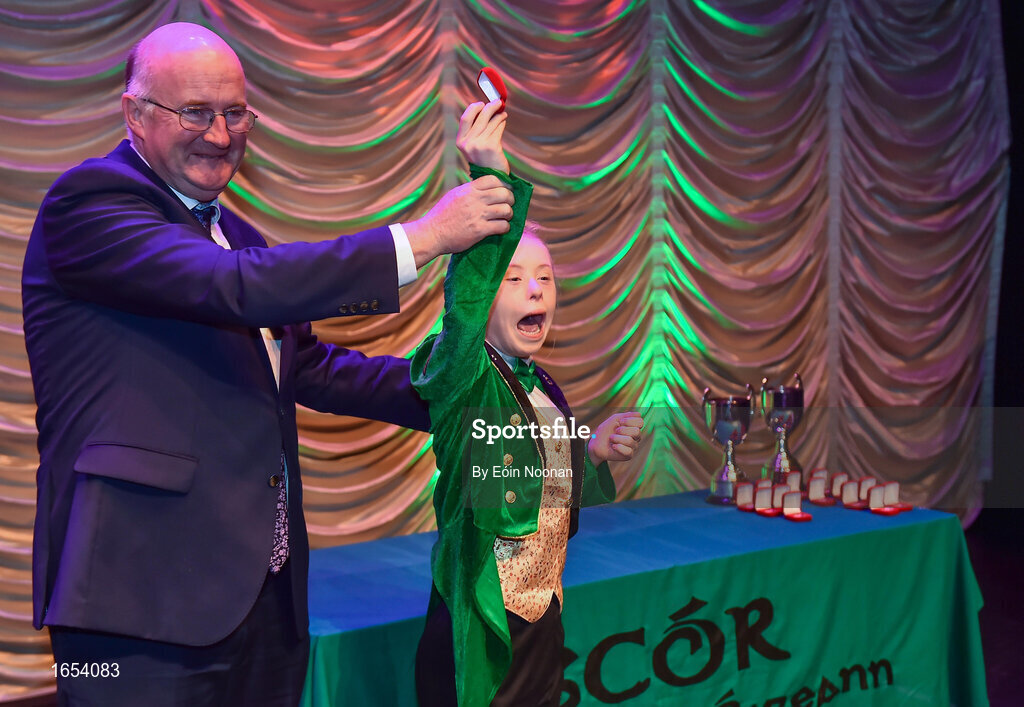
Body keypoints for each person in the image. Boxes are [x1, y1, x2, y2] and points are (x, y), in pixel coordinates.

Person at [21, 22, 515, 706]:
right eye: (196, 112)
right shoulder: (93, 203)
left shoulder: (234, 233)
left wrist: (461, 391)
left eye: (235, 113)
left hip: (263, 602)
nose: (220, 134)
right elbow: (234, 286)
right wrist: (425, 237)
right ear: (135, 113)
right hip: (137, 603)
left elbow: (310, 368)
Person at [411, 101, 644, 705]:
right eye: (513, 279)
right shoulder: (462, 375)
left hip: (542, 622)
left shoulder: (544, 388)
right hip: (480, 628)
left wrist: (591, 452)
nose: (536, 289)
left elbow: (546, 498)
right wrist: (492, 178)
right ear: (487, 294)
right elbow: (465, 301)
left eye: (545, 277)